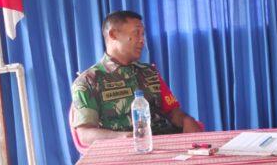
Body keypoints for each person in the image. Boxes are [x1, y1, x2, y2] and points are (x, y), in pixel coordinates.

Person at [71, 10, 202, 146]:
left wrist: (186, 120)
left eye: (142, 34)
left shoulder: (150, 72)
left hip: (166, 143)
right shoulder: (88, 81)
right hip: (124, 150)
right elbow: (85, 135)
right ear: (113, 34)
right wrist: (123, 138)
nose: (142, 40)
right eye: (136, 33)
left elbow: (173, 112)